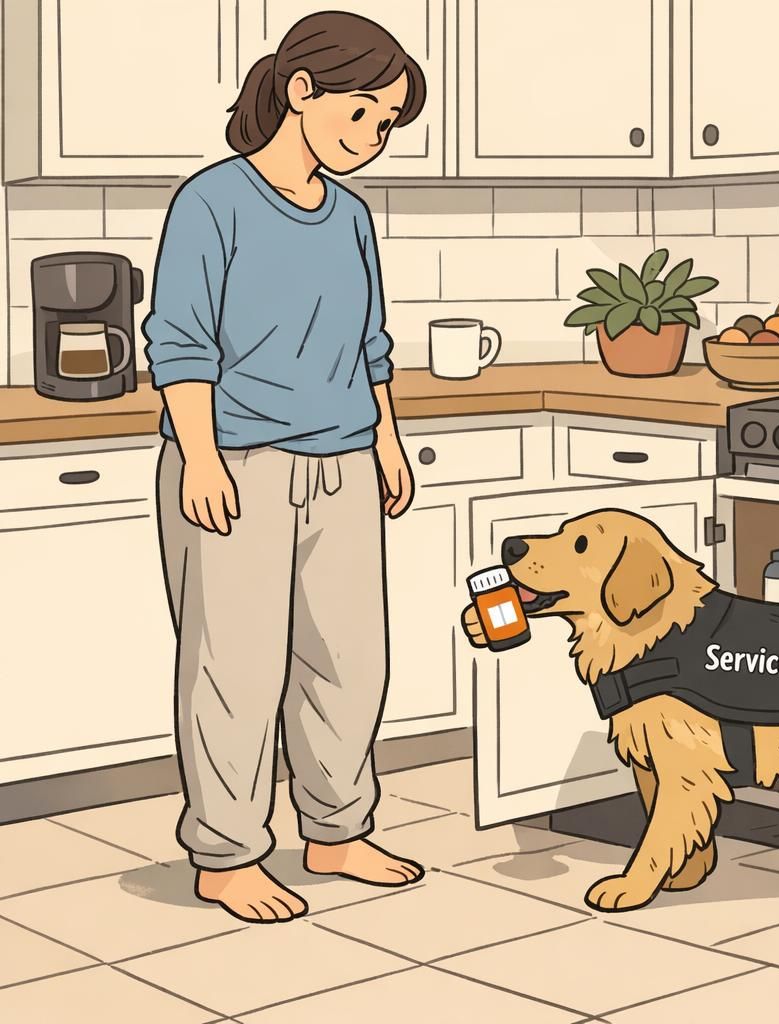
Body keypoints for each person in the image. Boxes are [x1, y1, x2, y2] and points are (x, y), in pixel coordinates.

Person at [143, 11, 427, 924]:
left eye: (385, 125)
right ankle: (225, 854)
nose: (372, 140)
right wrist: (200, 457)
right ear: (300, 92)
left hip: (341, 463)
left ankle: (337, 831)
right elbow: (179, 344)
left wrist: (384, 439)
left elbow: (369, 343)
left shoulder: (349, 215)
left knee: (349, 662)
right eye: (362, 115)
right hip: (236, 465)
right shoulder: (211, 202)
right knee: (235, 668)